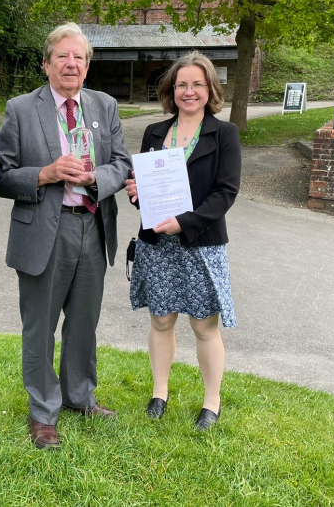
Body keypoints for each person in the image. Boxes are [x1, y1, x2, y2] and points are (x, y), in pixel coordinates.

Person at [0, 22, 131, 449]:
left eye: (79, 57)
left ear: (87, 66)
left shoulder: (104, 105)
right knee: (40, 325)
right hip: (43, 230)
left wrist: (97, 178)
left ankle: (80, 396)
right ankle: (43, 412)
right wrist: (45, 173)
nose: (71, 64)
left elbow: (124, 163)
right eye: (62, 56)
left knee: (84, 321)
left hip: (92, 224)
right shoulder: (20, 109)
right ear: (46, 64)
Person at [125, 52, 240, 430]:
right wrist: (136, 190)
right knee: (161, 320)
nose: (188, 92)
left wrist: (185, 222)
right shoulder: (155, 133)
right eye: (181, 85)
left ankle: (212, 401)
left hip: (201, 242)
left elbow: (226, 192)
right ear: (170, 91)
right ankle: (160, 392)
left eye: (197, 84)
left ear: (210, 89)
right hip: (159, 242)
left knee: (204, 325)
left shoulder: (224, 134)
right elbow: (146, 186)